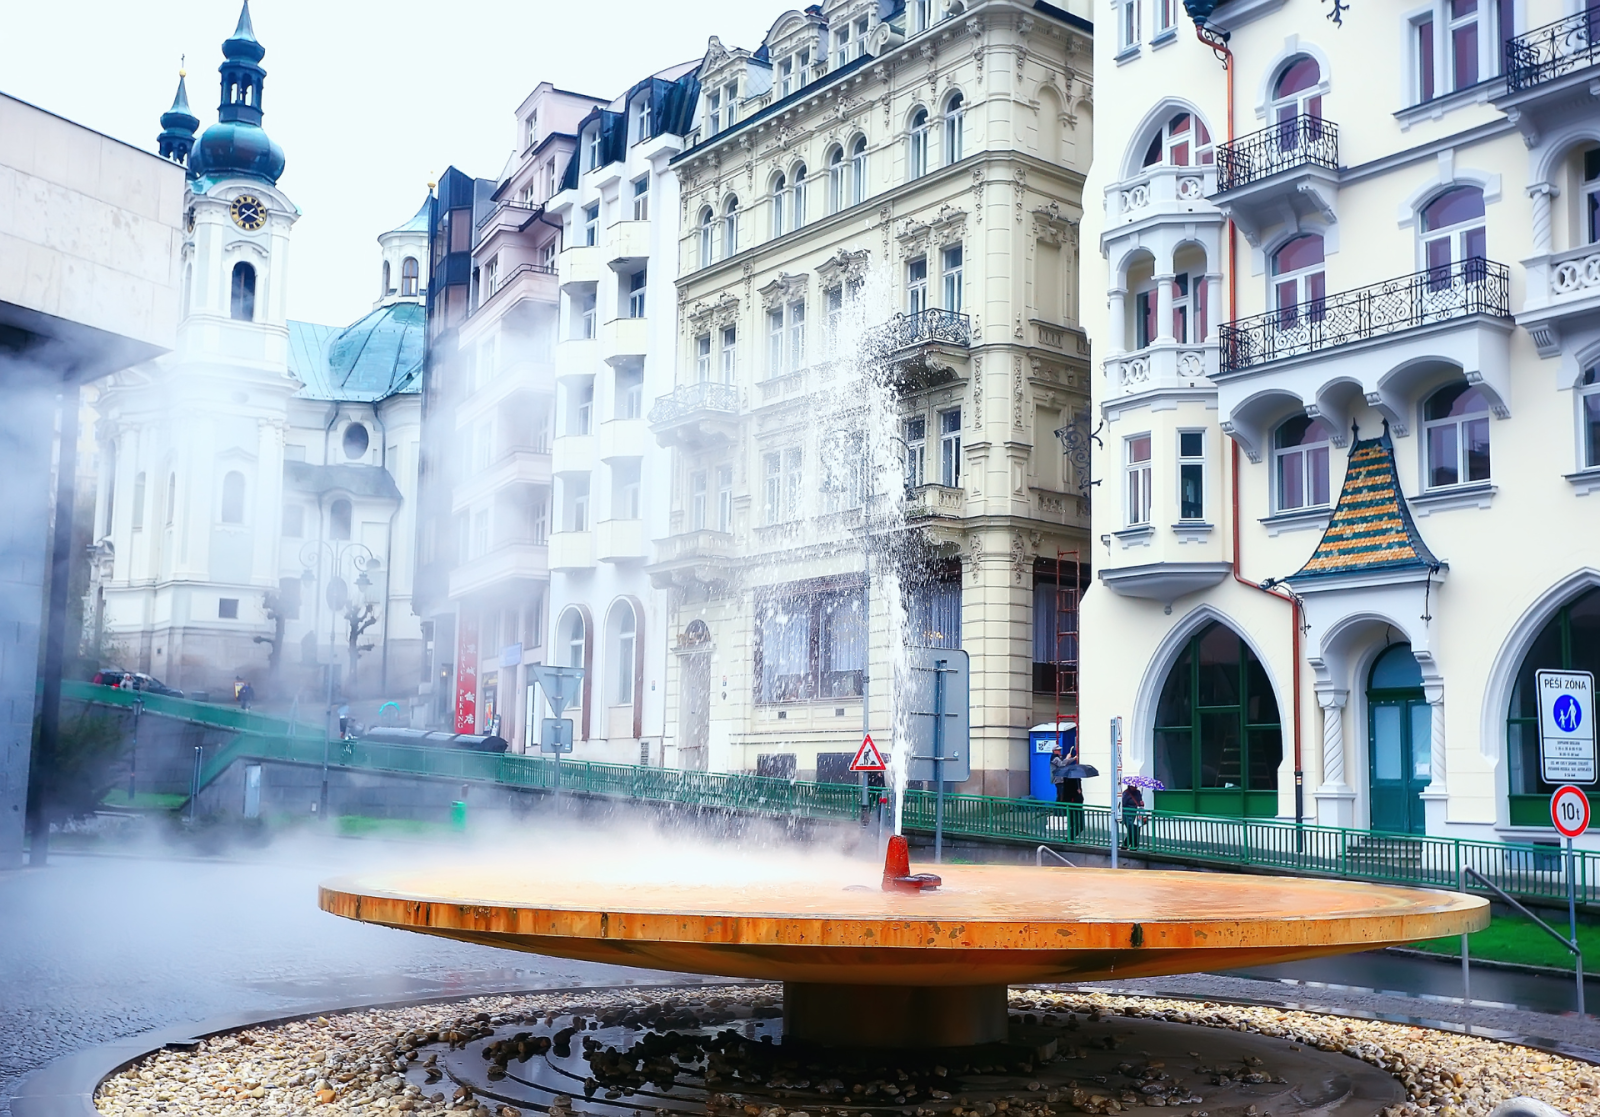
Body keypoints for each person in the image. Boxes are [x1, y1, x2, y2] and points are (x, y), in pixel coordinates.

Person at [1120, 782, 1145, 850]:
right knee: (1132, 830)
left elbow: (1140, 803)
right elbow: (1122, 804)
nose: (1135, 787)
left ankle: (1128, 845)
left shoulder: (1138, 793)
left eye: (1136, 786)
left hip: (1136, 814)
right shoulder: (1126, 793)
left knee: (1136, 830)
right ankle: (1132, 846)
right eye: (1133, 786)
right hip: (1127, 815)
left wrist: (1142, 804)